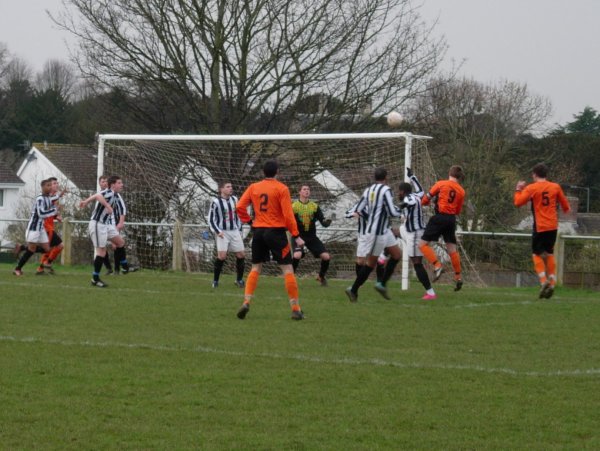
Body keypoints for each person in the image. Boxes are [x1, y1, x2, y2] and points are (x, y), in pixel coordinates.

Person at [235, 160, 305, 320]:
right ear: (277, 172)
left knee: (255, 268)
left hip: (259, 232)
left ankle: (246, 302)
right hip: (276, 232)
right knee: (287, 269)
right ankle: (295, 308)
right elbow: (288, 215)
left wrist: (250, 222)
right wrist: (296, 235)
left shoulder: (254, 187)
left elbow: (239, 207)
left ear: (263, 172)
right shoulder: (281, 188)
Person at [344, 167, 403, 302]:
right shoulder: (386, 190)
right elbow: (392, 211)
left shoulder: (368, 190)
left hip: (384, 230)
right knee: (370, 264)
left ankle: (381, 284)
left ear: (374, 177)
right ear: (386, 178)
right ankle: (353, 290)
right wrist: (402, 210)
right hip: (377, 232)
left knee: (397, 255)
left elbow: (358, 208)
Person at [514, 163, 570, 299]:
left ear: (534, 174)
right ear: (546, 174)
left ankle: (543, 281)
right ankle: (552, 282)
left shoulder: (532, 188)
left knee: (536, 254)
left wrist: (518, 189)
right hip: (553, 226)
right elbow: (566, 207)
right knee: (549, 253)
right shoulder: (555, 187)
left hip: (540, 226)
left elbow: (518, 202)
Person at [79, 175, 135, 287]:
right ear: (113, 185)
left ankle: (124, 267)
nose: (122, 185)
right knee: (101, 252)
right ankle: (95, 279)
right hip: (97, 224)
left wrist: (85, 201)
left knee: (120, 242)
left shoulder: (115, 195)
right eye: (119, 183)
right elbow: (99, 196)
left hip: (106, 225)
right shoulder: (109, 192)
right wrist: (107, 206)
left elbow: (96, 195)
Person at [419, 165, 466, 292]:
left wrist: (423, 202)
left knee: (422, 245)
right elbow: (458, 210)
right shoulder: (461, 191)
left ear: (449, 173)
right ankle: (458, 277)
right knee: (452, 249)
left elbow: (425, 199)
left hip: (439, 217)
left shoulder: (440, 184)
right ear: (459, 177)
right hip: (451, 220)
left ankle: (437, 265)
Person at [398, 168, 436, 300]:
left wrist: (401, 206)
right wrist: (412, 176)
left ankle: (430, 292)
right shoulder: (417, 195)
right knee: (398, 230)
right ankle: (384, 254)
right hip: (414, 231)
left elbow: (408, 202)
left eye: (399, 191)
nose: (398, 193)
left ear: (402, 192)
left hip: (414, 233)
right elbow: (421, 190)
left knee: (416, 262)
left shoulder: (409, 199)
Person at [13, 179, 58, 276]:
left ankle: (22, 247)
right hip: (33, 227)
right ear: (42, 187)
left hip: (40, 228)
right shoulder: (40, 199)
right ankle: (17, 269)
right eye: (48, 185)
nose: (50, 187)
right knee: (31, 250)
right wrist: (54, 211)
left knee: (47, 249)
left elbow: (51, 206)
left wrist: (56, 213)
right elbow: (41, 213)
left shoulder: (47, 198)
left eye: (51, 185)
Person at [291, 184, 332, 286]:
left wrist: (326, 222)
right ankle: (290, 279)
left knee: (326, 257)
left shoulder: (314, 206)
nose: (306, 191)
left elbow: (323, 221)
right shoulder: (294, 206)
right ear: (299, 192)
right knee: (297, 255)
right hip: (298, 236)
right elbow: (289, 222)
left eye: (308, 189)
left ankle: (321, 276)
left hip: (312, 237)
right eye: (304, 189)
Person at [208, 181, 246, 288]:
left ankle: (239, 280)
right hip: (222, 232)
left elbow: (238, 215)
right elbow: (211, 219)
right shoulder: (215, 202)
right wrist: (217, 231)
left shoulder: (234, 199)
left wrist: (239, 229)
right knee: (222, 256)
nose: (230, 188)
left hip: (234, 231)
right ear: (221, 189)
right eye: (228, 187)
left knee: (241, 255)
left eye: (231, 186)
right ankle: (215, 281)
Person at [37, 177, 66, 275]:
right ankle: (44, 265)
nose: (56, 185)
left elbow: (50, 212)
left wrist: (56, 217)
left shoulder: (54, 197)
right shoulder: (48, 197)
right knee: (56, 246)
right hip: (46, 227)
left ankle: (44, 265)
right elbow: (44, 211)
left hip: (49, 226)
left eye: (57, 183)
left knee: (52, 247)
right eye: (54, 183)